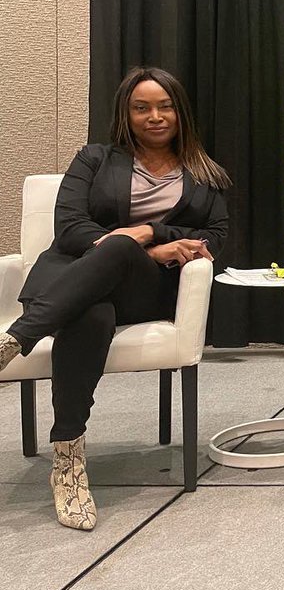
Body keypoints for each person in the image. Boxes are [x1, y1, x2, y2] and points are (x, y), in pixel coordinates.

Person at [0, 67, 229, 531]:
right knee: (90, 314)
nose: (155, 116)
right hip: (74, 281)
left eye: (164, 106)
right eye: (141, 107)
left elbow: (216, 239)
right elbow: (69, 226)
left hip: (142, 290)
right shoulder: (95, 159)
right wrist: (145, 243)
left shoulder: (205, 174)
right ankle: (67, 461)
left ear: (180, 112)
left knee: (123, 247)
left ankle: (16, 339)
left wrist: (149, 234)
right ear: (126, 114)